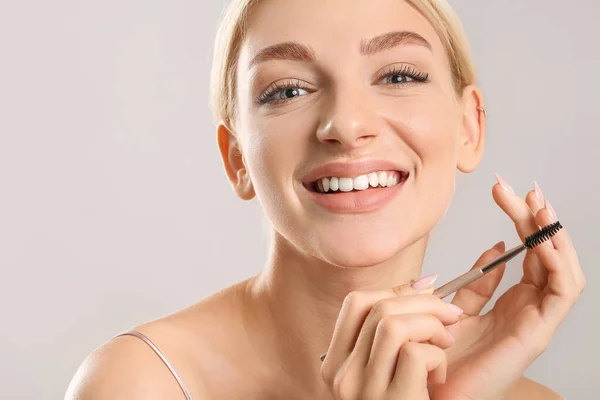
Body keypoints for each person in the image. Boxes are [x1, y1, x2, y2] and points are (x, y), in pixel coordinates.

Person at [66, 0, 585, 398]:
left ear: (469, 126)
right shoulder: (138, 384)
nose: (347, 125)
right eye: (288, 90)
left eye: (398, 76)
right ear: (238, 159)